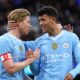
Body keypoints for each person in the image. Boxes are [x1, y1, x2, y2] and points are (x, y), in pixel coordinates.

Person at [8, 6, 80, 80]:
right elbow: (36, 72)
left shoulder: (71, 37)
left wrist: (72, 73)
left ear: (53, 19)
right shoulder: (39, 41)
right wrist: (32, 61)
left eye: (43, 20)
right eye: (39, 20)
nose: (40, 23)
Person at [0, 9, 40, 80]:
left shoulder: (20, 43)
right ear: (19, 22)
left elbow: (21, 74)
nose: (30, 26)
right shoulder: (4, 40)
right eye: (28, 22)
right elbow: (10, 68)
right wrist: (31, 60)